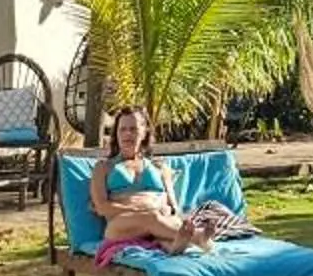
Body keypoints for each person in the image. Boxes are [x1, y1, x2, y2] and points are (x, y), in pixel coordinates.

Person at [89, 107, 224, 255]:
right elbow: (102, 207)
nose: (127, 134)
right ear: (116, 134)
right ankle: (198, 238)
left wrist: (170, 211)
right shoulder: (104, 167)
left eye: (133, 129)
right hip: (121, 224)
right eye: (122, 129)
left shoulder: (159, 167)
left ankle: (173, 247)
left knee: (172, 222)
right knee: (151, 217)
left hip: (160, 218)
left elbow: (173, 206)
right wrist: (138, 210)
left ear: (144, 132)